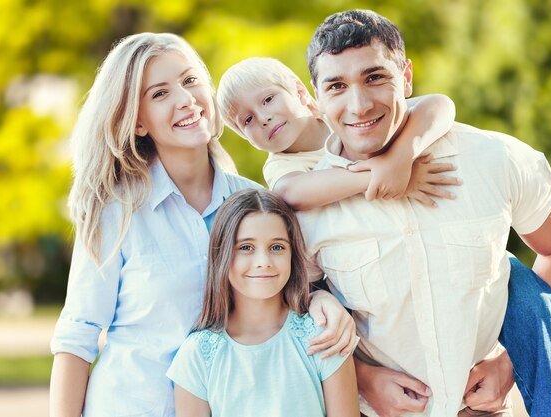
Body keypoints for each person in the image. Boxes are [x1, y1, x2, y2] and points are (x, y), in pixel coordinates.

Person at [49, 32, 355, 417]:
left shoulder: (257, 205)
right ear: (138, 122)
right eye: (159, 93)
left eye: (190, 80)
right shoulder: (117, 211)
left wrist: (323, 298)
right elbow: (77, 335)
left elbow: (290, 297)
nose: (185, 99)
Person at [299, 9, 551, 417]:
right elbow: (292, 316)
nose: (359, 104)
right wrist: (361, 377)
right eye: (336, 86)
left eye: (375, 77)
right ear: (317, 98)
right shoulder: (306, 211)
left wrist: (509, 362)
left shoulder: (495, 158)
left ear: (405, 76)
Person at [167, 189, 360, 417]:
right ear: (222, 255)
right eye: (246, 247)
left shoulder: (323, 337)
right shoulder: (197, 355)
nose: (263, 262)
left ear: (292, 255)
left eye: (277, 247)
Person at [217, 57, 460, 210]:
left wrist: (401, 158)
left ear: (300, 93)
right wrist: (383, 175)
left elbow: (439, 104)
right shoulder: (281, 165)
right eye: (247, 120)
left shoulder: (342, 114)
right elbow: (290, 193)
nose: (263, 118)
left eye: (268, 99)